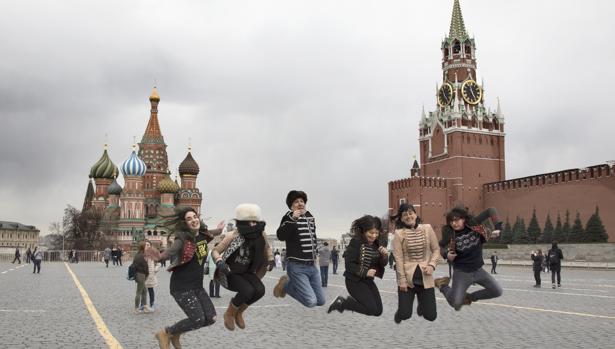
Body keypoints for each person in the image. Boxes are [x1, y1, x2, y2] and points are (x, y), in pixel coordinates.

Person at [153, 207, 223, 349]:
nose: (193, 220)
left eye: (195, 216)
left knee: (211, 318)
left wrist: (220, 230)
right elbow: (171, 250)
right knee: (197, 319)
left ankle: (175, 333)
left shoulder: (203, 234)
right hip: (181, 287)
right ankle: (166, 333)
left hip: (197, 286)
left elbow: (212, 233)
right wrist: (160, 256)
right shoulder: (183, 238)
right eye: (189, 219)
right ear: (185, 223)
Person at [212, 203, 274, 331]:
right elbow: (215, 251)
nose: (252, 224)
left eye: (254, 221)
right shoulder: (233, 235)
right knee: (247, 291)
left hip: (248, 271)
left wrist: (271, 259)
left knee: (260, 290)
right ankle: (229, 313)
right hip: (231, 272)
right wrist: (219, 262)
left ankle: (239, 312)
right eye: (249, 221)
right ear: (241, 222)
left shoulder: (261, 235)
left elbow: (266, 248)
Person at [434, 206, 503, 311]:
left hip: (478, 271)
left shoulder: (473, 223)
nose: (454, 223)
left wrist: (497, 226)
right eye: (451, 221)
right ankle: (443, 285)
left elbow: (491, 210)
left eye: (457, 220)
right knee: (456, 303)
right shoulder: (450, 234)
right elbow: (438, 246)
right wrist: (446, 254)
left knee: (497, 291)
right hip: (462, 273)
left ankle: (469, 297)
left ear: (463, 219)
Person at [273, 190, 326, 308]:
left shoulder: (310, 216)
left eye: (302, 201)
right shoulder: (287, 217)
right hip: (297, 266)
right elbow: (281, 236)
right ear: (291, 206)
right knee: (311, 302)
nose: (300, 203)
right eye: (296, 202)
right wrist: (293, 219)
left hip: (312, 266)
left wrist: (316, 254)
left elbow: (313, 236)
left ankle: (288, 284)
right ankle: (286, 285)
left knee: (321, 301)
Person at [327, 215, 387, 317]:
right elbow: (349, 264)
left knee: (378, 311)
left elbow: (382, 264)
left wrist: (384, 256)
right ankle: (343, 303)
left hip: (368, 281)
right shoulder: (356, 242)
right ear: (364, 231)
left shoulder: (376, 244)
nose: (374, 236)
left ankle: (343, 303)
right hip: (354, 281)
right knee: (371, 309)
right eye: (371, 232)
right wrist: (365, 272)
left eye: (376, 233)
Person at [391, 204, 440, 323]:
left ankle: (422, 306)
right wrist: (401, 280)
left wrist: (432, 265)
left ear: (415, 214)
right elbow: (399, 259)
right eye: (404, 215)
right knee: (404, 314)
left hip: (425, 278)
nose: (408, 216)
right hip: (408, 281)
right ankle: (400, 313)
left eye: (410, 213)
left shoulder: (427, 228)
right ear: (401, 219)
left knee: (431, 316)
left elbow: (436, 249)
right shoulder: (398, 234)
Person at [132, 241, 150, 314]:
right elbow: (145, 267)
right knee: (139, 292)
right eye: (146, 246)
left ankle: (145, 307)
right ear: (143, 247)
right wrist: (147, 274)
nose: (148, 247)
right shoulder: (142, 256)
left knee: (144, 291)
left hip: (139, 274)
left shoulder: (138, 255)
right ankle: (136, 309)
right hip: (141, 275)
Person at [144, 240, 160, 312]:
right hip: (143, 275)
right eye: (145, 245)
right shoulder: (142, 254)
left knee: (150, 290)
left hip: (151, 275)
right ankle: (143, 304)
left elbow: (158, 263)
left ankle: (152, 303)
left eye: (148, 245)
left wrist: (155, 269)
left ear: (150, 246)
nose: (147, 246)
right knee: (143, 291)